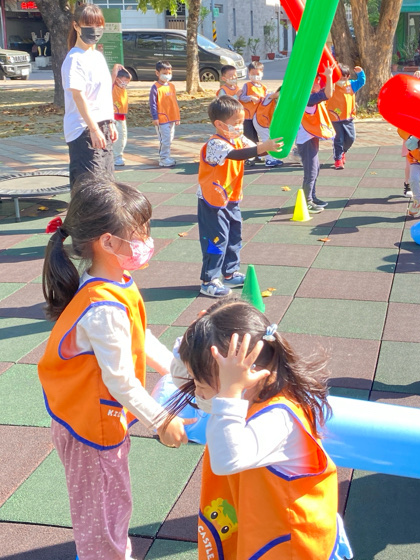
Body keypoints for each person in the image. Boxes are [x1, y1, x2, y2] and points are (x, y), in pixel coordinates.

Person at [37, 178, 191, 560]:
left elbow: (138, 336)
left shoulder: (113, 282)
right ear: (107, 242)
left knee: (108, 509)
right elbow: (120, 380)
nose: (147, 240)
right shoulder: (103, 307)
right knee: (103, 521)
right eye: (140, 233)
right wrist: (161, 421)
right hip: (91, 429)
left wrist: (177, 371)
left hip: (90, 419)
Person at [165, 299, 352, 560]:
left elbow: (227, 459)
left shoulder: (278, 418)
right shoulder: (246, 395)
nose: (196, 390)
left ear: (246, 375)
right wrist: (196, 336)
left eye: (201, 382)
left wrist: (229, 391)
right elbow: (182, 375)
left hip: (289, 547)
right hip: (261, 531)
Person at [198, 96, 283, 298]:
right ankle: (209, 280)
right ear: (219, 124)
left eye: (241, 122)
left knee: (234, 236)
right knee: (217, 239)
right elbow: (236, 155)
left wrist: (273, 146)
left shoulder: (238, 139)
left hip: (231, 198)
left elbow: (254, 151)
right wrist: (262, 148)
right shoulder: (215, 143)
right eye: (236, 123)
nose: (240, 127)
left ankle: (229, 272)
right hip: (213, 201)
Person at [61, 3, 116, 188]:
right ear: (76, 26)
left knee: (107, 184)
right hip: (83, 129)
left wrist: (110, 121)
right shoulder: (74, 59)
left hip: (103, 126)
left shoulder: (97, 56)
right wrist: (93, 129)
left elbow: (103, 93)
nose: (94, 30)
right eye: (88, 25)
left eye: (99, 25)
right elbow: (79, 97)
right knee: (90, 187)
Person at [296, 61, 336, 214]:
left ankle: (312, 197)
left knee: (315, 169)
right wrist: (329, 76)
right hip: (305, 140)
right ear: (309, 83)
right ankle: (307, 202)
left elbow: (328, 91)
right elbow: (328, 94)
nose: (319, 82)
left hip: (310, 138)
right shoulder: (307, 98)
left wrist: (329, 77)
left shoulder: (310, 96)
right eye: (316, 80)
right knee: (311, 172)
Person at [328, 64, 365, 170]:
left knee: (351, 138)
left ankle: (343, 151)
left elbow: (361, 81)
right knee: (338, 139)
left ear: (348, 76)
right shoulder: (332, 85)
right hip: (335, 117)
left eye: (344, 77)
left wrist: (360, 73)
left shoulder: (351, 85)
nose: (341, 79)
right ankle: (338, 159)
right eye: (339, 76)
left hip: (348, 117)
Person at [149, 60, 180, 168]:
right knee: (165, 139)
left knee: (170, 139)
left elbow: (174, 102)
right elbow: (153, 103)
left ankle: (167, 157)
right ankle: (163, 158)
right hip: (162, 118)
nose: (167, 75)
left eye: (169, 73)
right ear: (157, 73)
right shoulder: (155, 87)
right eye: (164, 73)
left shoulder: (172, 86)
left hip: (171, 117)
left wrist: (177, 117)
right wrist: (155, 117)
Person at [253, 87, 283, 168]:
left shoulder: (279, 102)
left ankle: (272, 158)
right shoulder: (270, 97)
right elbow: (277, 94)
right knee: (266, 140)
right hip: (260, 121)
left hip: (266, 122)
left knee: (271, 139)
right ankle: (269, 160)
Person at [238, 61, 268, 145]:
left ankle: (257, 150)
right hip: (248, 117)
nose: (255, 76)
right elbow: (241, 97)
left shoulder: (264, 88)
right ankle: (250, 151)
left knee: (257, 137)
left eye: (257, 74)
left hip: (258, 117)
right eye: (252, 74)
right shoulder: (247, 85)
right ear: (249, 74)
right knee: (249, 136)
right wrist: (250, 98)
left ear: (262, 74)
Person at [110, 67, 132, 168]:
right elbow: (113, 76)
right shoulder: (112, 87)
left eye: (127, 81)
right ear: (117, 79)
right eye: (124, 81)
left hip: (122, 116)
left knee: (123, 137)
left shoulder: (123, 89)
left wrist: (125, 70)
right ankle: (116, 156)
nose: (126, 83)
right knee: (117, 138)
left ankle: (118, 154)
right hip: (114, 117)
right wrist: (116, 66)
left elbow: (130, 76)